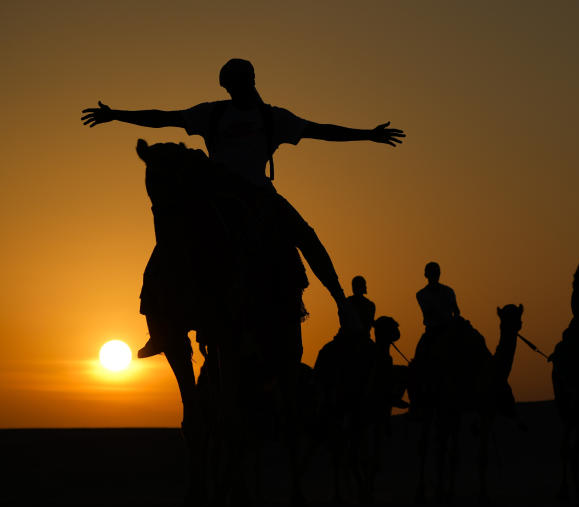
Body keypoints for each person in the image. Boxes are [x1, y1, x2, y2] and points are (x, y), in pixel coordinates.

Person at [81, 58, 404, 344]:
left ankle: (340, 302)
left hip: (259, 194)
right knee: (171, 242)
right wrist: (116, 115)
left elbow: (320, 130)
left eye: (237, 83)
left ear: (249, 81)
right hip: (216, 191)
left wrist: (367, 134)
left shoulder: (273, 118)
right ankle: (161, 323)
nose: (234, 89)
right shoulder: (213, 113)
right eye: (229, 85)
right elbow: (165, 117)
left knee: (304, 234)